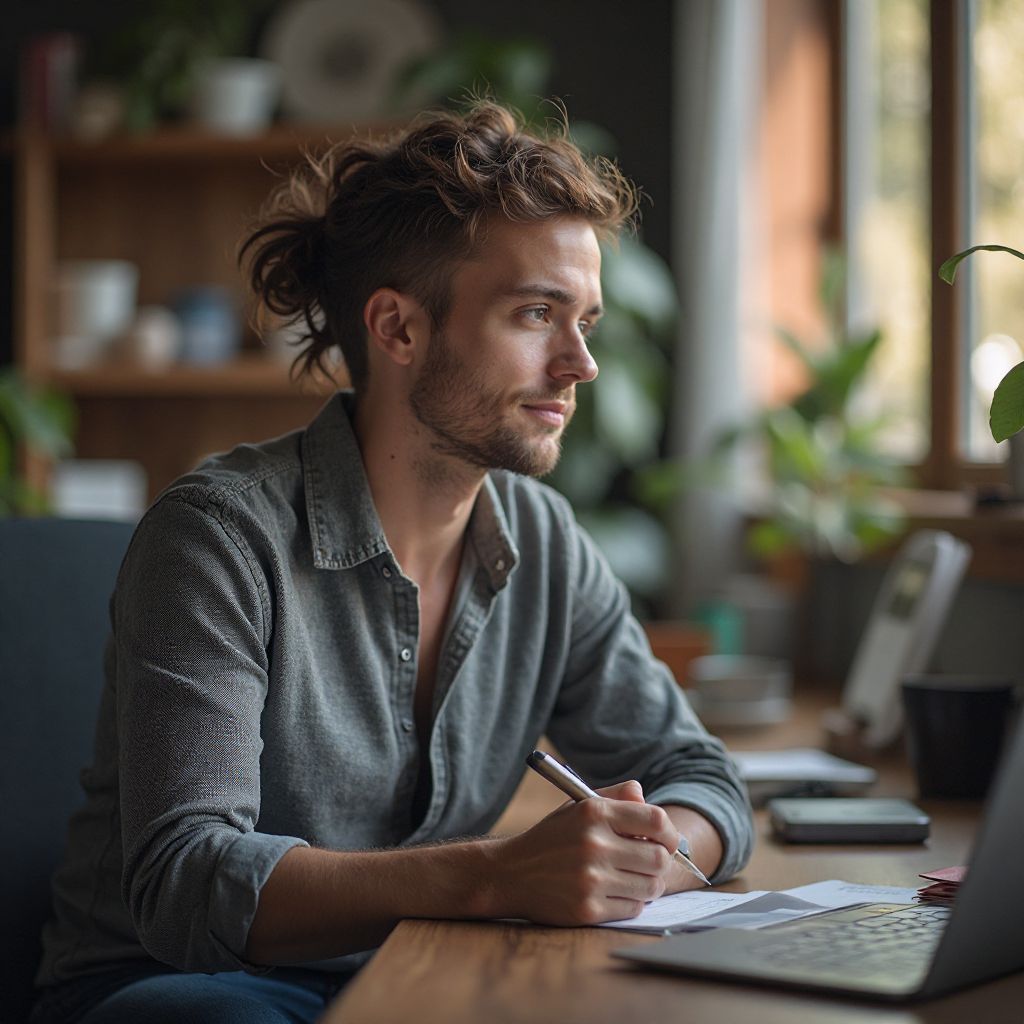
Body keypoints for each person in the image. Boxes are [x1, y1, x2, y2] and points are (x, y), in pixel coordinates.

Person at [31, 101, 754, 1024]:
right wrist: (497, 874)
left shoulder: (547, 546)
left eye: (587, 322)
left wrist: (647, 847)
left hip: (416, 971)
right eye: (537, 314)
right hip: (180, 989)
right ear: (399, 329)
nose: (581, 364)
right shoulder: (218, 537)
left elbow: (702, 775)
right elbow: (186, 881)